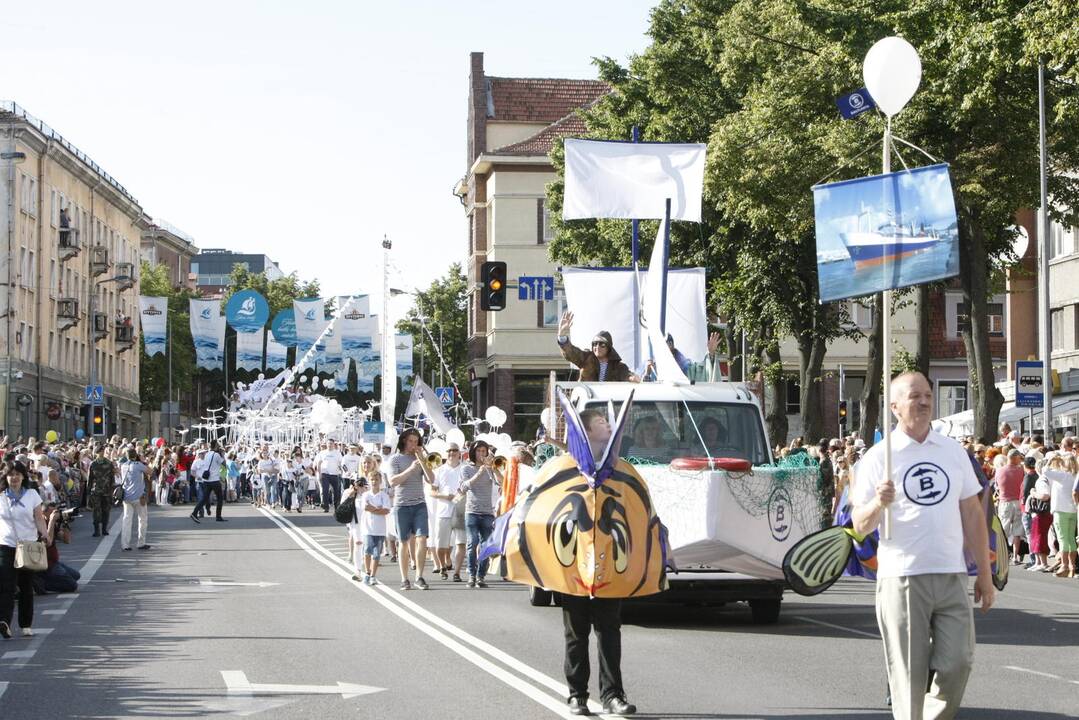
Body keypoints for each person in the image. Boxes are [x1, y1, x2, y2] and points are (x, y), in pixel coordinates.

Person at [851, 372, 993, 720]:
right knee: (909, 677)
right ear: (895, 407)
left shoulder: (952, 451)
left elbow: (973, 514)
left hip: (951, 574)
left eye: (928, 394)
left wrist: (986, 575)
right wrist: (878, 504)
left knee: (959, 662)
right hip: (903, 576)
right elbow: (859, 525)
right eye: (915, 396)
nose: (925, 401)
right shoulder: (878, 457)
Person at [561, 408, 636, 716]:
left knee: (609, 632)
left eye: (608, 421)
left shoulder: (621, 469)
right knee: (576, 634)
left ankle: (613, 696)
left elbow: (638, 512)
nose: (607, 424)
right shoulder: (565, 468)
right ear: (587, 431)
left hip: (608, 567)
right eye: (600, 422)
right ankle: (577, 695)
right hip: (575, 566)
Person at [0, 462, 48, 638]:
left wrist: (44, 533)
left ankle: (26, 624)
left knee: (26, 586)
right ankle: (4, 622)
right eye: (10, 474)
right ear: (5, 477)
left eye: (17, 474)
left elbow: (38, 517)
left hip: (28, 546)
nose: (14, 478)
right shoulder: (1, 496)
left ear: (23, 477)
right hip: (6, 545)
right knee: (6, 586)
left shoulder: (32, 495)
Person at [387, 429, 437, 590]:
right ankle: (404, 578)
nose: (413, 445)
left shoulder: (420, 458)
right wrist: (410, 469)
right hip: (402, 505)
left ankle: (419, 576)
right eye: (411, 441)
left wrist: (422, 461)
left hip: (419, 504)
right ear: (404, 441)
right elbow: (393, 481)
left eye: (416, 441)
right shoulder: (395, 459)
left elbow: (431, 479)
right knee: (404, 542)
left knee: (422, 538)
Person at [458, 440, 502, 588]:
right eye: (479, 451)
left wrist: (494, 468)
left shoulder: (490, 468)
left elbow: (502, 482)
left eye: (484, 452)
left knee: (486, 546)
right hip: (472, 511)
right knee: (472, 544)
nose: (482, 454)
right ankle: (471, 574)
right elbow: (465, 486)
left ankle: (481, 576)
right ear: (473, 452)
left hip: (488, 511)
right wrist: (482, 470)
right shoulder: (466, 468)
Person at [556, 311, 639, 383]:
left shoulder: (618, 366)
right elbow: (571, 353)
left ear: (609, 347)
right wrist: (562, 335)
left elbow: (626, 375)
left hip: (608, 399)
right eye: (595, 344)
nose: (597, 347)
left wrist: (631, 378)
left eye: (601, 344)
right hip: (588, 398)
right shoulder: (587, 358)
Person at [431, 442, 464, 579]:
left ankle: (457, 572)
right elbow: (432, 492)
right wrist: (445, 496)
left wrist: (460, 495)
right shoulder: (439, 470)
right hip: (444, 511)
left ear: (459, 452)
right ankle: (443, 566)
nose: (452, 453)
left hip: (460, 511)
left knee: (461, 543)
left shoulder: (465, 469)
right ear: (446, 453)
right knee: (441, 545)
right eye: (449, 450)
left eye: (455, 450)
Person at [1043, 452, 1078, 578]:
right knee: (1071, 539)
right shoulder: (1075, 476)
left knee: (1062, 538)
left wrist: (1051, 459)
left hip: (1060, 510)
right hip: (1073, 511)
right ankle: (1072, 566)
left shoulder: (1062, 475)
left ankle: (1064, 565)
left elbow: (1045, 470)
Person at [360, 470, 391, 585]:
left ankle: (373, 575)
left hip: (380, 530)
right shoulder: (365, 495)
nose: (374, 482)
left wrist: (374, 509)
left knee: (376, 554)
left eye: (376, 480)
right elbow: (365, 507)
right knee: (367, 552)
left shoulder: (384, 496)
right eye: (372, 480)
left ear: (380, 481)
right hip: (368, 529)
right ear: (369, 481)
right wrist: (378, 508)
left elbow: (386, 510)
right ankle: (367, 572)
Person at [119, 448, 151, 551]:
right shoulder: (138, 465)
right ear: (135, 455)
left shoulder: (123, 465)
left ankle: (125, 544)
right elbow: (150, 471)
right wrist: (144, 462)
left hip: (127, 496)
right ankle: (141, 543)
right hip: (138, 496)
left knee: (126, 520)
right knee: (142, 519)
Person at [193, 441, 227, 523]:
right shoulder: (216, 455)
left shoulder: (207, 454)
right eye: (218, 446)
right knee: (220, 498)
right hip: (214, 479)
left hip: (206, 480)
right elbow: (224, 464)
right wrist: (222, 455)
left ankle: (194, 513)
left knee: (204, 498)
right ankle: (218, 516)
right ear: (215, 446)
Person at [87, 445, 116, 537]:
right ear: (96, 453)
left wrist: (112, 489)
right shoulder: (93, 464)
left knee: (106, 510)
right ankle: (96, 530)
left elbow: (112, 477)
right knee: (96, 510)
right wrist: (88, 491)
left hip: (107, 490)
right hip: (96, 491)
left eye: (102, 451)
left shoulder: (109, 463)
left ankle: (104, 529)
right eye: (100, 451)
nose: (101, 453)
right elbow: (90, 478)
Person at [315, 440, 344, 513]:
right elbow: (319, 463)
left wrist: (343, 472)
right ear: (326, 445)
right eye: (328, 444)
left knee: (336, 492)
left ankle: (336, 507)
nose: (330, 445)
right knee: (325, 491)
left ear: (334, 444)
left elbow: (341, 463)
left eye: (331, 444)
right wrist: (319, 472)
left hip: (335, 474)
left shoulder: (337, 453)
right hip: (325, 474)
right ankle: (326, 506)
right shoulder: (322, 453)